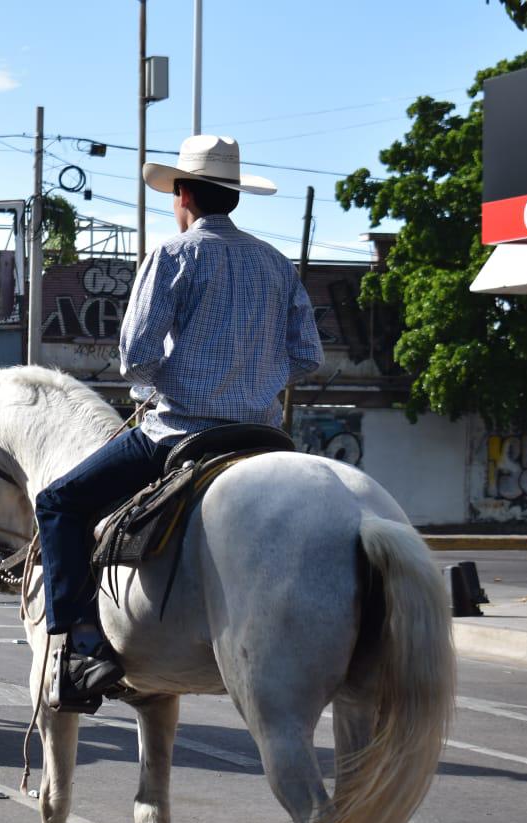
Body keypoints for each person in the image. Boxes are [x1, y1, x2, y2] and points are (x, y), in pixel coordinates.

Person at [37, 134, 323, 714]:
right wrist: (256, 381)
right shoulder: (275, 264)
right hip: (265, 440)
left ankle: (82, 645)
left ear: (185, 194)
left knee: (57, 503)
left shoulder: (174, 256)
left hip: (179, 434)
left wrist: (171, 383)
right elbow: (309, 356)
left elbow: (136, 355)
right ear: (232, 196)